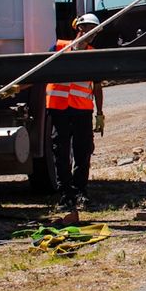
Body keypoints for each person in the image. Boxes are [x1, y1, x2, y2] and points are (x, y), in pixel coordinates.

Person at [45, 13, 106, 213]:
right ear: (79, 28)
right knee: (60, 152)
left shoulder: (93, 54)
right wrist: (18, 87)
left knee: (83, 151)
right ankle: (66, 195)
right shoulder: (58, 48)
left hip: (81, 109)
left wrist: (100, 113)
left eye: (95, 31)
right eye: (89, 29)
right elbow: (38, 70)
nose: (92, 34)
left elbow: (97, 86)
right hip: (59, 108)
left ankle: (80, 191)